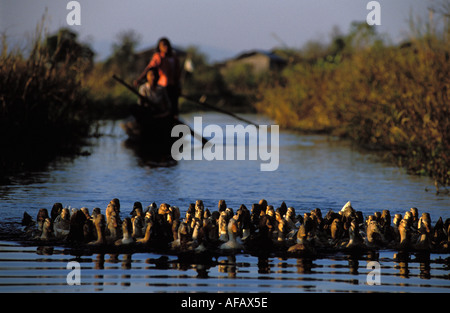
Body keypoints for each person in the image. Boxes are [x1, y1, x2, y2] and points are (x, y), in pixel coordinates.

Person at [135, 37, 181, 117]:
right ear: (159, 47)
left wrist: (178, 86)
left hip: (173, 85)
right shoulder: (158, 57)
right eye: (163, 45)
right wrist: (139, 79)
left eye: (167, 45)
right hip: (163, 85)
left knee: (174, 106)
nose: (166, 47)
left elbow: (177, 73)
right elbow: (149, 68)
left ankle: (173, 121)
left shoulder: (174, 57)